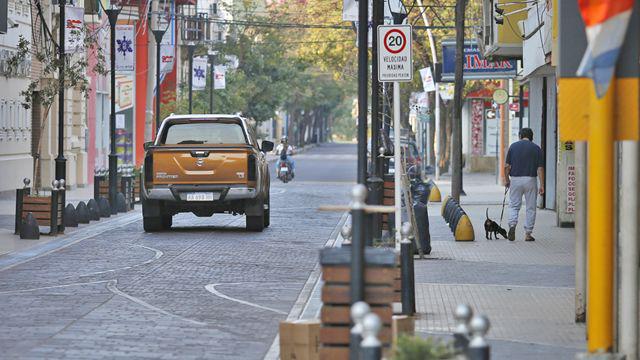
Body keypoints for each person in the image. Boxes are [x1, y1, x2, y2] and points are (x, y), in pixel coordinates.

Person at [504, 128, 544, 241]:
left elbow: (506, 167)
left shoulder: (513, 147)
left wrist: (507, 180)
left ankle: (512, 225)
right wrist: (542, 185)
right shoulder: (536, 148)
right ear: (531, 136)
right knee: (530, 207)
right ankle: (528, 234)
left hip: (515, 179)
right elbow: (540, 168)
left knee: (514, 205)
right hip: (530, 179)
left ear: (520, 135)